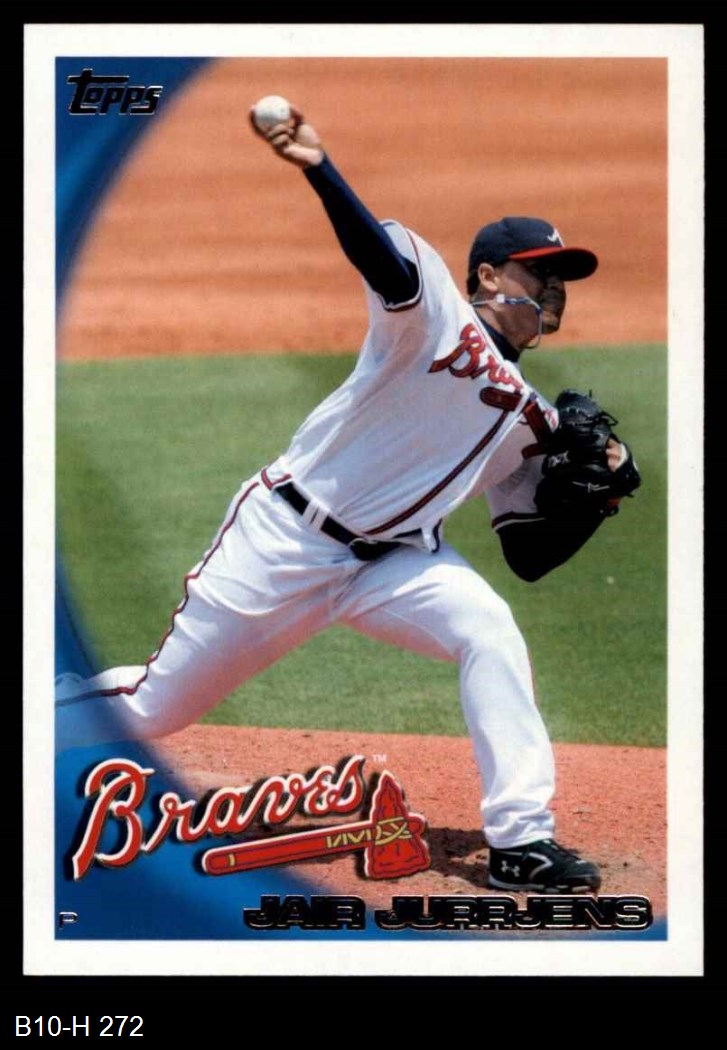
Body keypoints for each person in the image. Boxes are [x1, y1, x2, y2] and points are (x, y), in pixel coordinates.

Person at [56, 103, 640, 893]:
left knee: (488, 631)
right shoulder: (434, 318)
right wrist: (318, 168)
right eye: (540, 272)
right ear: (488, 276)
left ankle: (520, 840)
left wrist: (599, 498)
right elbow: (383, 261)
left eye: (560, 278)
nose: (553, 288)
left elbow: (528, 555)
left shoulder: (533, 420)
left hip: (395, 567)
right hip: (284, 541)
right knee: (156, 708)